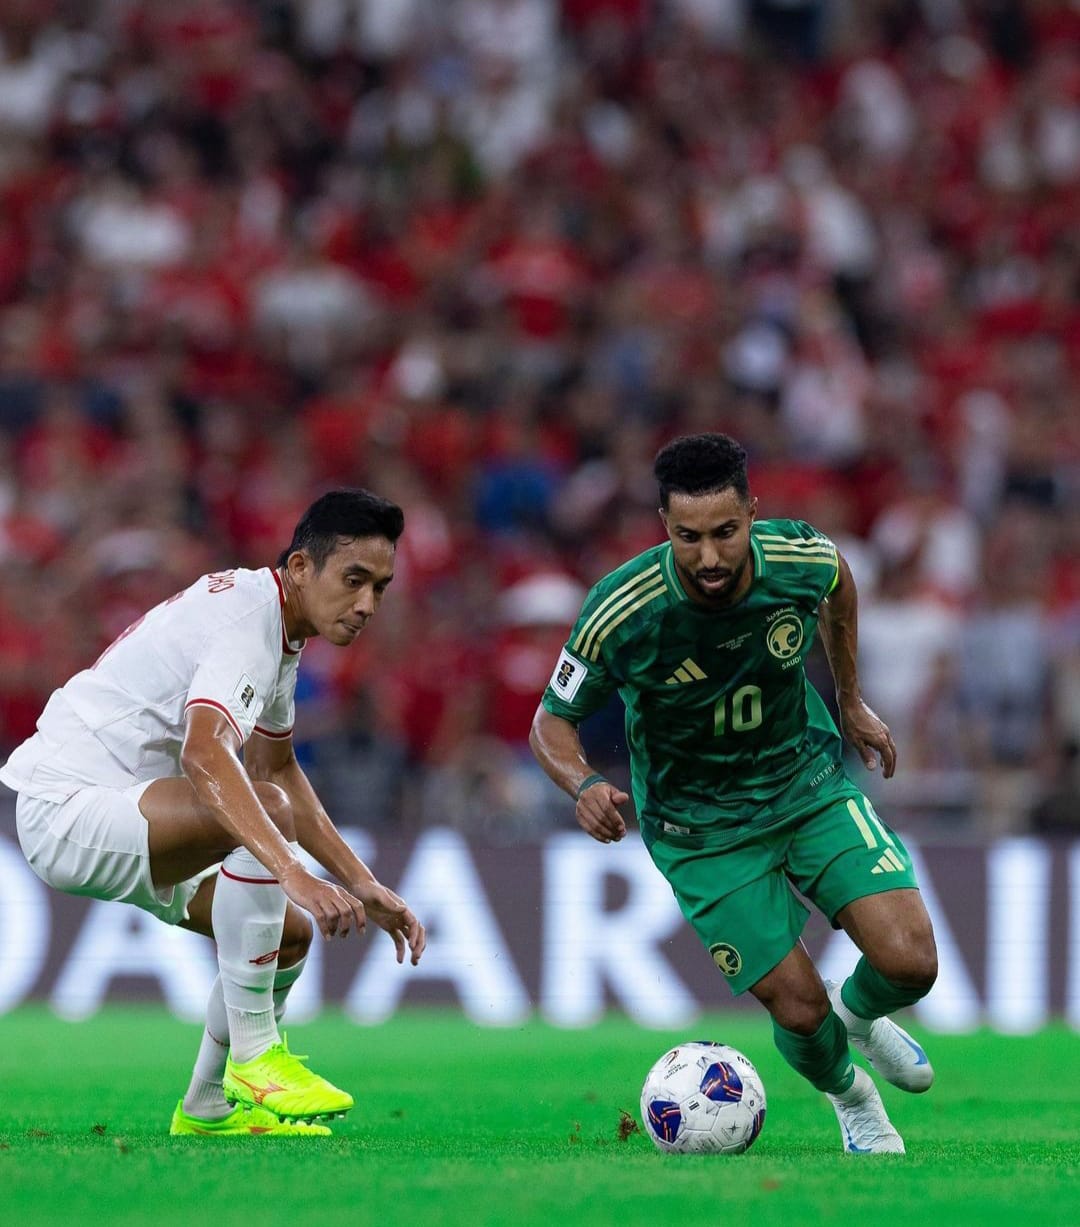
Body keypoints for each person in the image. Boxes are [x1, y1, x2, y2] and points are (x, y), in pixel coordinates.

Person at [530, 434, 938, 1154]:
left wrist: (850, 699)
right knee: (800, 1009)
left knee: (911, 962)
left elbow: (839, 582)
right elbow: (550, 720)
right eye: (688, 537)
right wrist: (584, 780)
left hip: (803, 784)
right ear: (664, 524)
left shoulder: (798, 559)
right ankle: (855, 1099)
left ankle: (864, 1014)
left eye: (725, 531)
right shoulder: (623, 610)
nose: (710, 557)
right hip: (701, 832)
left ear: (753, 511)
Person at [1, 488, 427, 1137]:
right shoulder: (248, 622)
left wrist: (360, 882)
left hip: (130, 805)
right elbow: (207, 755)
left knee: (287, 935)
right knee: (267, 816)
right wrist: (292, 870)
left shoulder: (281, 629)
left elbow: (277, 767)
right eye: (355, 579)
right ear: (302, 568)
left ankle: (205, 1105)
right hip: (69, 802)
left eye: (381, 587)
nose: (367, 603)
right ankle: (255, 1055)